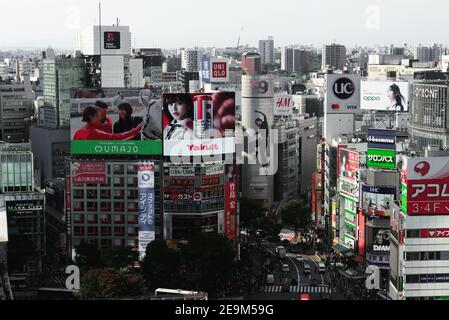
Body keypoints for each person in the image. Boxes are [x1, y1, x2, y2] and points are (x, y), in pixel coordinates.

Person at [73, 105, 143, 141]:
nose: (100, 118)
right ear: (90, 117)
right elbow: (117, 137)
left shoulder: (78, 132)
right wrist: (137, 129)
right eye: (97, 116)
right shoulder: (95, 133)